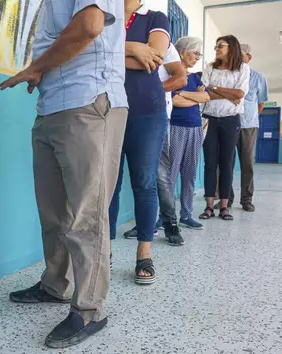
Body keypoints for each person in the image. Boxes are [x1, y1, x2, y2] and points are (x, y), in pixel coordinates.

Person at [3, 0, 128, 349]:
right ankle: (55, 283)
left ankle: (90, 308)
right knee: (54, 211)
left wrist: (35, 66)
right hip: (52, 105)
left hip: (88, 100)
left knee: (87, 213)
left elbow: (90, 25)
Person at [109, 0, 173, 286]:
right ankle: (104, 251)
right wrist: (135, 48)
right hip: (106, 107)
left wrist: (112, 52)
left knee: (145, 182)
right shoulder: (104, 13)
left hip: (147, 111)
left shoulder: (155, 17)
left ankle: (143, 255)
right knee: (106, 183)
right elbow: (90, 52)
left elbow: (155, 57)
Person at [124, 39, 187, 241]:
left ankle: (171, 225)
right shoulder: (122, 36)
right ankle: (146, 225)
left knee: (156, 175)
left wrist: (150, 92)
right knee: (129, 179)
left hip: (153, 116)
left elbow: (180, 78)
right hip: (119, 113)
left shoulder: (161, 41)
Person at [158, 36, 209, 243]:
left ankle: (187, 214)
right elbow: (175, 101)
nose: (197, 57)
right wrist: (191, 97)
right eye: (194, 53)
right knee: (169, 176)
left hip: (196, 128)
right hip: (176, 127)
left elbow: (206, 97)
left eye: (199, 54)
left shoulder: (196, 79)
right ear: (181, 53)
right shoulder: (173, 74)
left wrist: (186, 96)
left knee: (189, 174)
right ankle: (165, 217)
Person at [198, 35, 250, 222]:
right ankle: (209, 205)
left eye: (221, 45)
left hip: (230, 120)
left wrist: (215, 88)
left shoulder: (243, 68)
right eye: (216, 45)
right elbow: (204, 92)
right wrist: (226, 93)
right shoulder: (210, 67)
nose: (217, 48)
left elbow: (240, 93)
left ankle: (225, 206)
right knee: (210, 163)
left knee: (227, 164)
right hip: (209, 119)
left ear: (232, 47)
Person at [220, 43, 268, 212]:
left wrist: (250, 117)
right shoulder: (228, 75)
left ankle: (247, 200)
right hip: (227, 123)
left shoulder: (258, 77)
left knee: (247, 164)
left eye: (241, 55)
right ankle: (227, 198)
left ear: (249, 57)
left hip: (248, 126)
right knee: (226, 163)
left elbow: (261, 103)